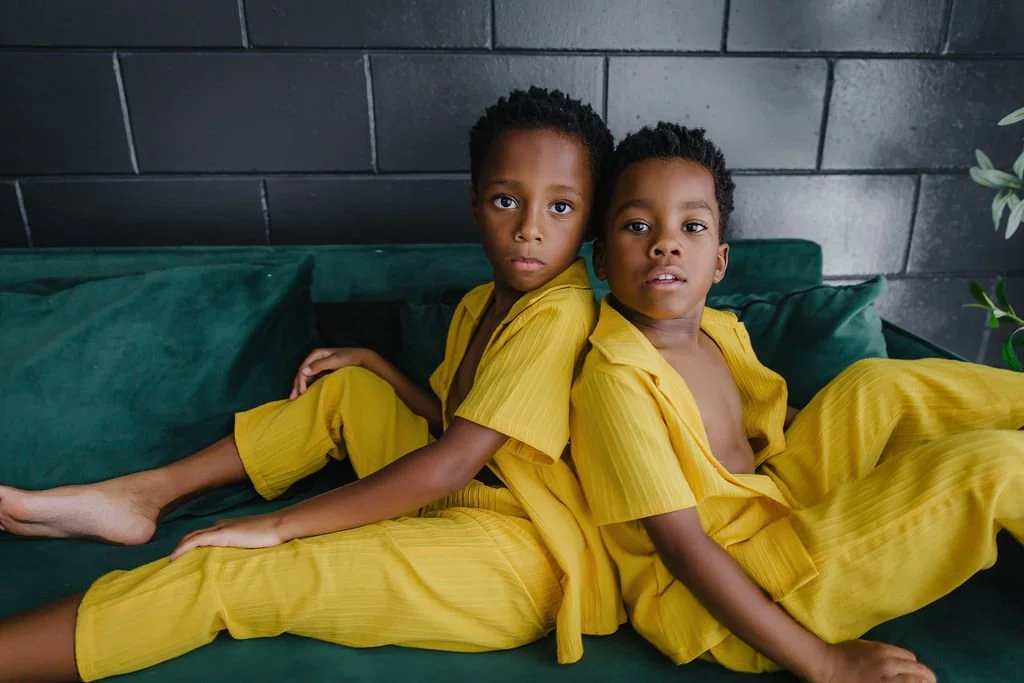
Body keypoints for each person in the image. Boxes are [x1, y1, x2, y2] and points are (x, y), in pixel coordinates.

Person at [0, 87, 623, 682]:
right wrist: (377, 368)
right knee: (347, 390)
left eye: (560, 207)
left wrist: (276, 526)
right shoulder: (483, 303)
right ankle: (138, 498)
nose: (529, 229)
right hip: (481, 493)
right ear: (474, 202)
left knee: (226, 570)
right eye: (506, 200)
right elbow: (456, 423)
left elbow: (451, 464)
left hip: (519, 558)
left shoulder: (560, 311)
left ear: (588, 222)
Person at [569, 121, 1023, 683]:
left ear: (718, 261)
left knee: (871, 385)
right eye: (638, 225)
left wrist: (870, 448)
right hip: (731, 591)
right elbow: (684, 551)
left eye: (692, 226)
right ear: (603, 260)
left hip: (774, 503)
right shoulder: (615, 379)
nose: (667, 242)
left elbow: (761, 421)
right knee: (991, 466)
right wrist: (826, 663)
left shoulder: (715, 328)